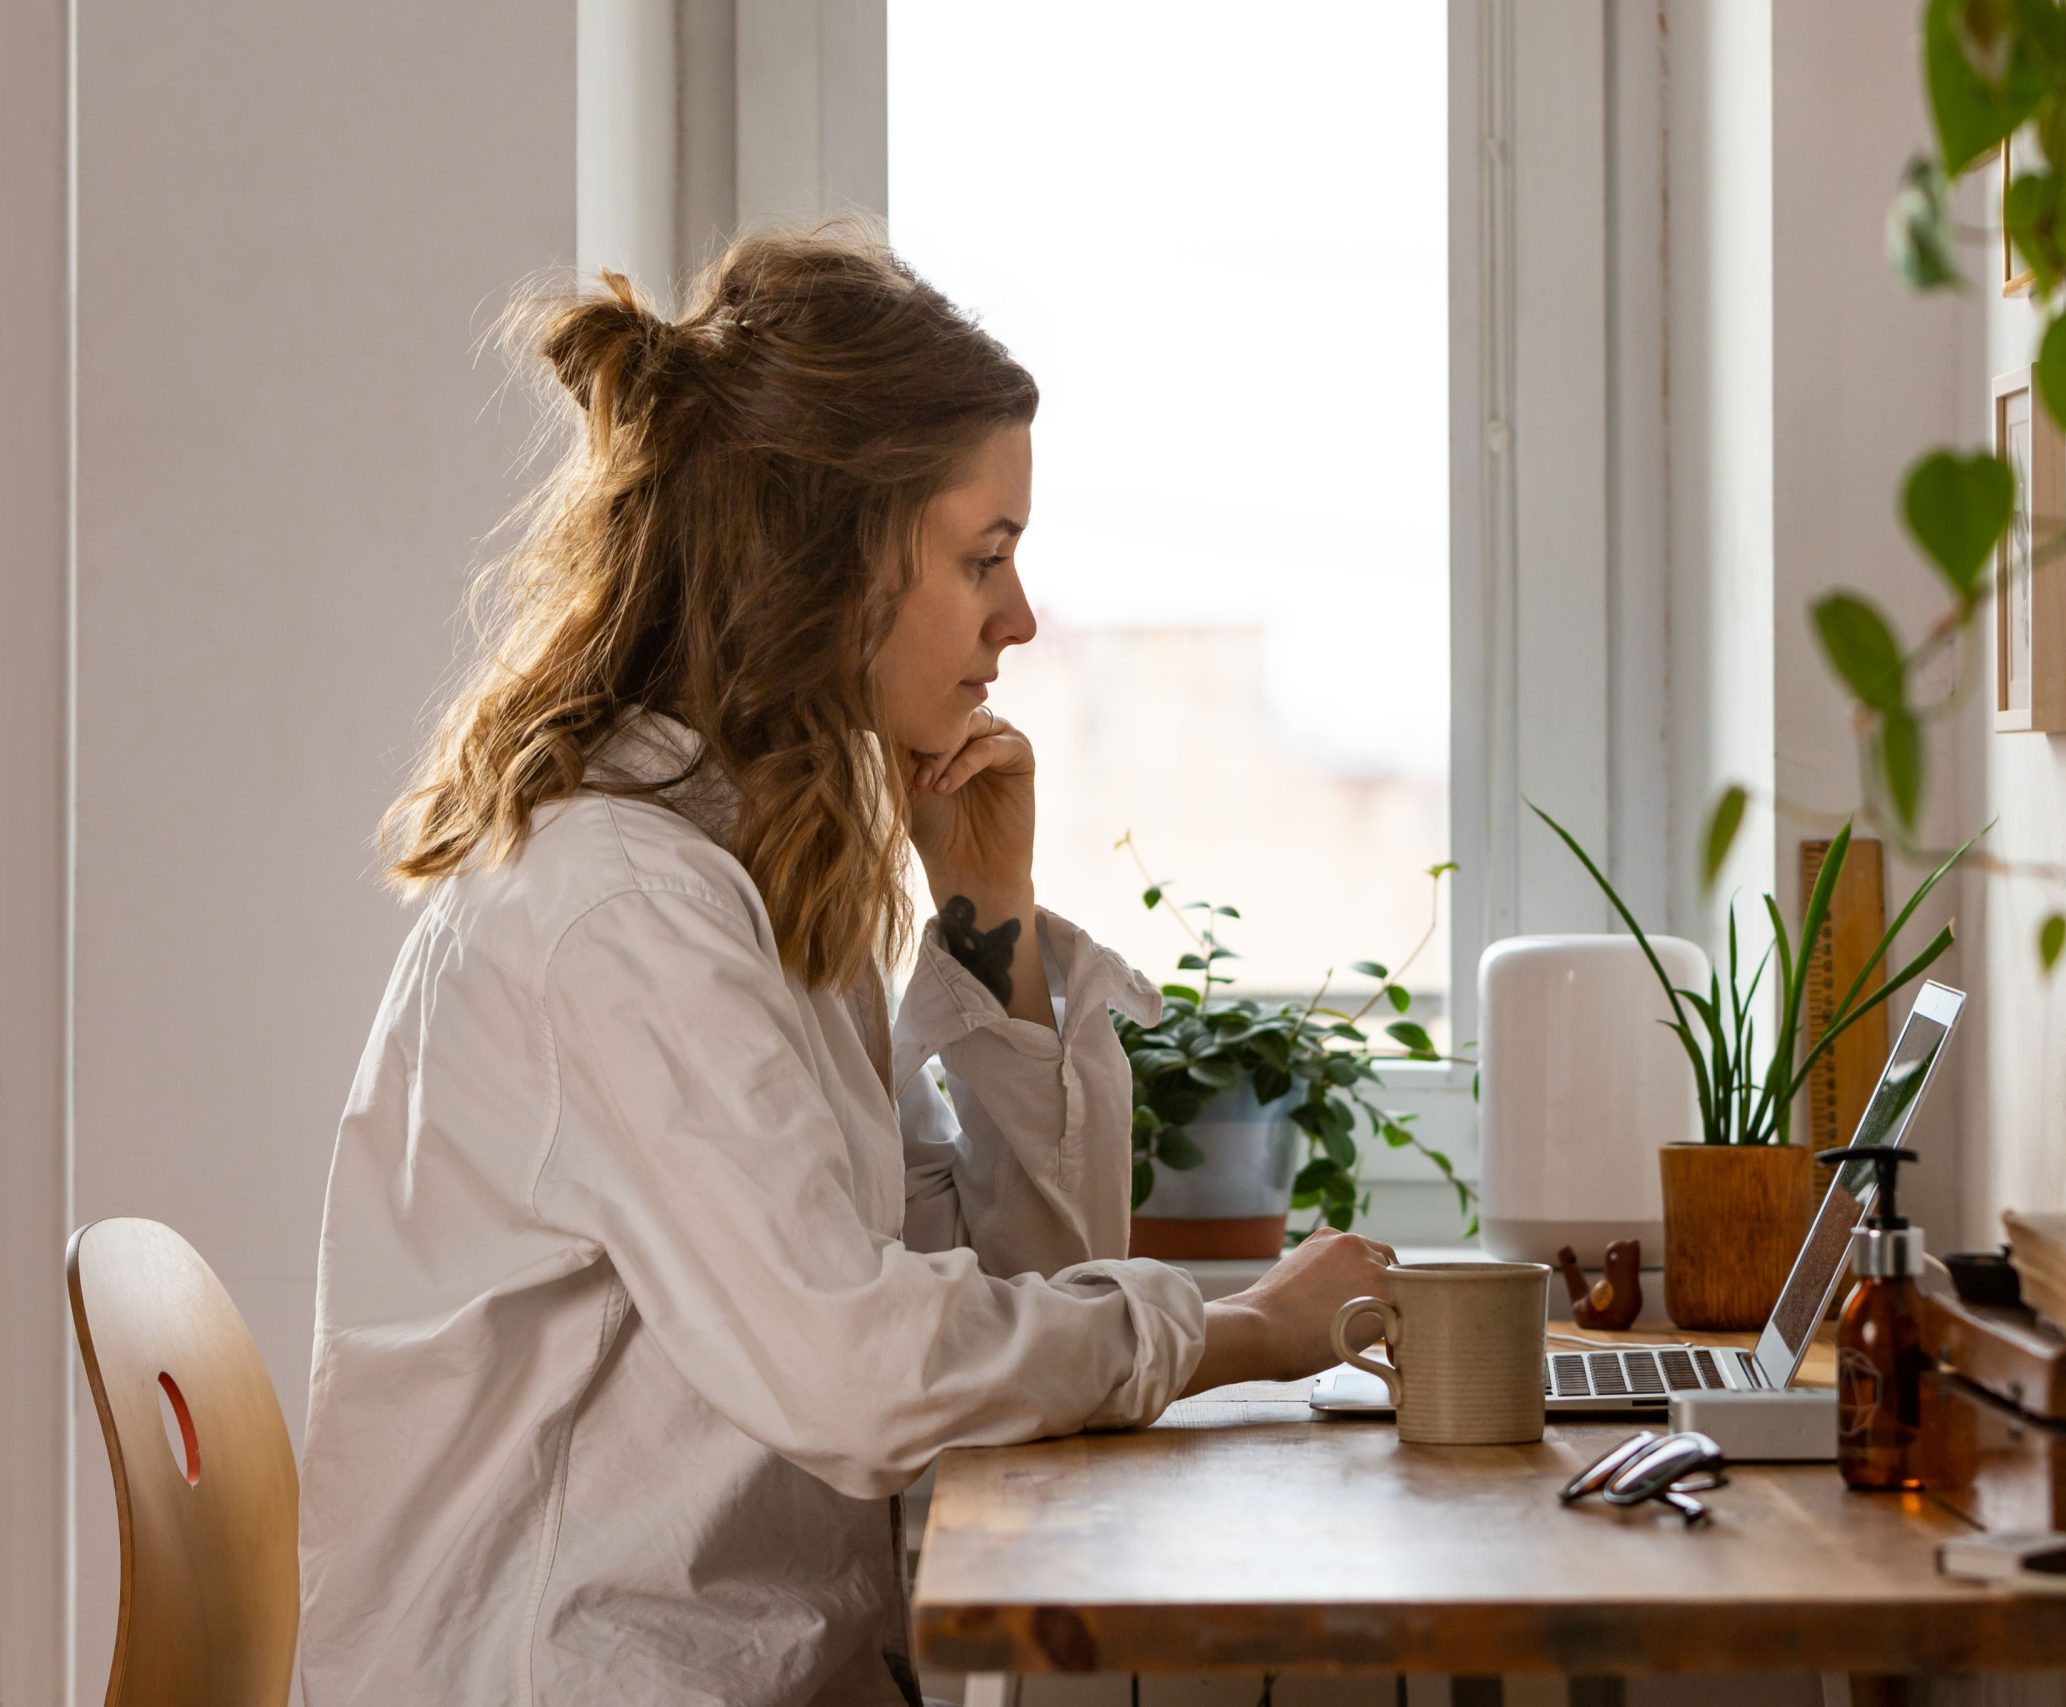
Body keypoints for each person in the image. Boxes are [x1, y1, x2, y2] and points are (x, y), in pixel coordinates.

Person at [296, 223, 1396, 1707]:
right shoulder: (624, 913)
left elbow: (1007, 1289)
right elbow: (865, 1378)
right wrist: (1235, 1327)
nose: (1017, 619)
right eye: (984, 558)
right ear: (830, 558)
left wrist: (986, 918)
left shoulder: (754, 873)